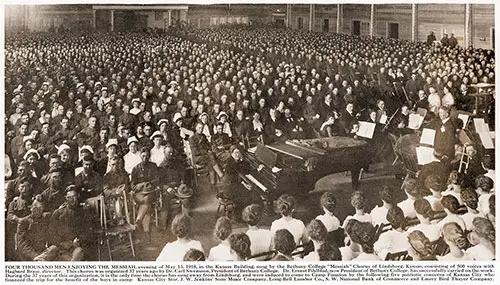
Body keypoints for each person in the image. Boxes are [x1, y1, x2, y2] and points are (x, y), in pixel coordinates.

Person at [49, 187, 96, 261]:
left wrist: (78, 241)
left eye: (74, 196)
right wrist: (61, 243)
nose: (72, 199)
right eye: (69, 197)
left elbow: (89, 231)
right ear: (66, 198)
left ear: (78, 196)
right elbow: (51, 232)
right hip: (61, 247)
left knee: (77, 254)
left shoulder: (85, 211)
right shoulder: (58, 213)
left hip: (78, 247)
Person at [130, 147, 160, 241]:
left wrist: (146, 184)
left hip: (151, 192)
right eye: (143, 156)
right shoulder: (136, 169)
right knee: (146, 206)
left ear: (149, 156)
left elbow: (157, 180)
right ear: (140, 156)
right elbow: (132, 185)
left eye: (147, 156)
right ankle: (146, 232)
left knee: (146, 201)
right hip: (139, 194)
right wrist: (137, 186)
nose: (145, 158)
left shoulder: (153, 166)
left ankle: (138, 221)